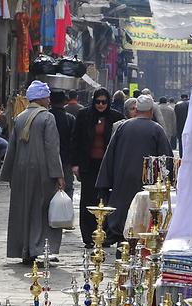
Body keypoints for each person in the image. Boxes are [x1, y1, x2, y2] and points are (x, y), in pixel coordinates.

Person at [1, 80, 65, 264]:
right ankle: (38, 248)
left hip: (20, 171)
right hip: (42, 172)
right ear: (43, 97)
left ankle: (24, 248)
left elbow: (11, 148)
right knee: (40, 210)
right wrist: (58, 174)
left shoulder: (20, 117)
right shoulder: (47, 118)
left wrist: (8, 173)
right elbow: (52, 148)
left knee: (23, 210)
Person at [96, 95, 172, 245]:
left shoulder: (123, 127)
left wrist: (105, 182)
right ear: (151, 110)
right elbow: (166, 160)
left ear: (136, 109)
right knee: (143, 214)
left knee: (123, 212)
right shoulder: (157, 129)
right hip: (147, 183)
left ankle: (122, 245)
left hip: (122, 178)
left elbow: (109, 155)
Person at [70, 87, 123, 248]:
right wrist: (75, 164)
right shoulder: (84, 115)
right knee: (88, 198)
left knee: (105, 199)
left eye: (104, 102)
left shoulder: (116, 117)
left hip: (107, 165)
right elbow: (75, 140)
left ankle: (105, 234)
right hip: (88, 164)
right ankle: (88, 236)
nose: (101, 105)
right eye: (98, 102)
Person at [49, 91, 76, 200]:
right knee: (67, 189)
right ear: (64, 101)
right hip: (65, 161)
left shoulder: (46, 117)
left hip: (48, 161)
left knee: (49, 189)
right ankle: (65, 213)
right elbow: (74, 141)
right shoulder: (70, 119)